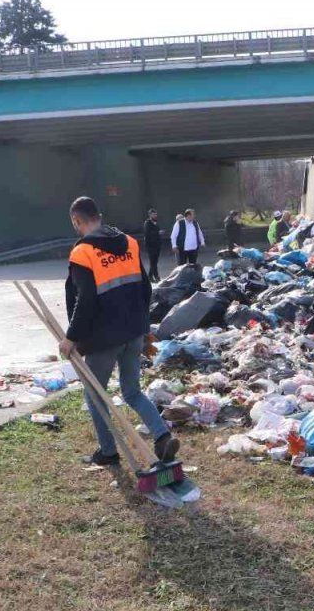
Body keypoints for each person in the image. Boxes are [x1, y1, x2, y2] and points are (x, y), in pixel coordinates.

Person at [61, 196, 180, 467]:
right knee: (132, 391)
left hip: (103, 338)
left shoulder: (83, 252)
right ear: (99, 215)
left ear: (76, 221)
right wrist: (144, 326)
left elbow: (85, 299)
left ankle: (108, 452)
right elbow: (144, 288)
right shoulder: (129, 242)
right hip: (133, 332)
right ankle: (162, 436)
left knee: (95, 395)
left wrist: (71, 337)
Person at [143, 208, 162, 282]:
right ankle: (156, 277)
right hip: (150, 246)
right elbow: (147, 234)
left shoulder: (156, 222)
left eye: (156, 214)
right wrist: (158, 232)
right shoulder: (147, 223)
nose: (155, 215)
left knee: (154, 262)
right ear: (150, 215)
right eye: (153, 214)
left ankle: (149, 276)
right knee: (153, 262)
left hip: (157, 245)